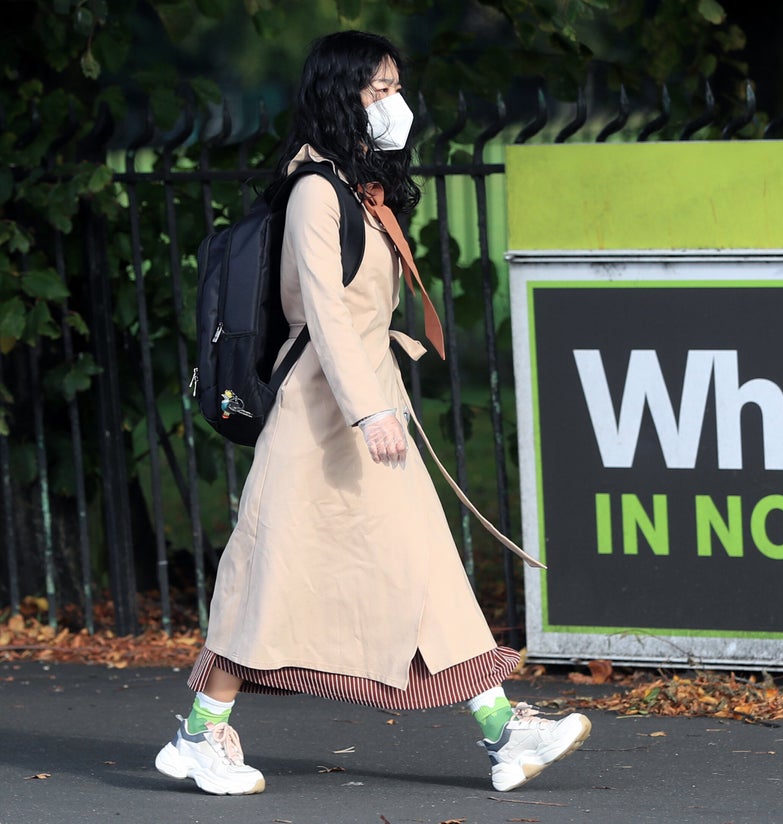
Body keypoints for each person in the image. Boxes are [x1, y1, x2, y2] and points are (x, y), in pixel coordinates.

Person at [153, 30, 589, 796]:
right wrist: (367, 413)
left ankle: (503, 734)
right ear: (339, 96)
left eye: (395, 87)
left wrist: (375, 406)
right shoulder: (318, 190)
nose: (395, 103)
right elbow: (322, 313)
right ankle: (197, 736)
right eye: (377, 90)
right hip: (318, 418)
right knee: (267, 582)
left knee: (425, 565)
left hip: (362, 408)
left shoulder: (359, 188)